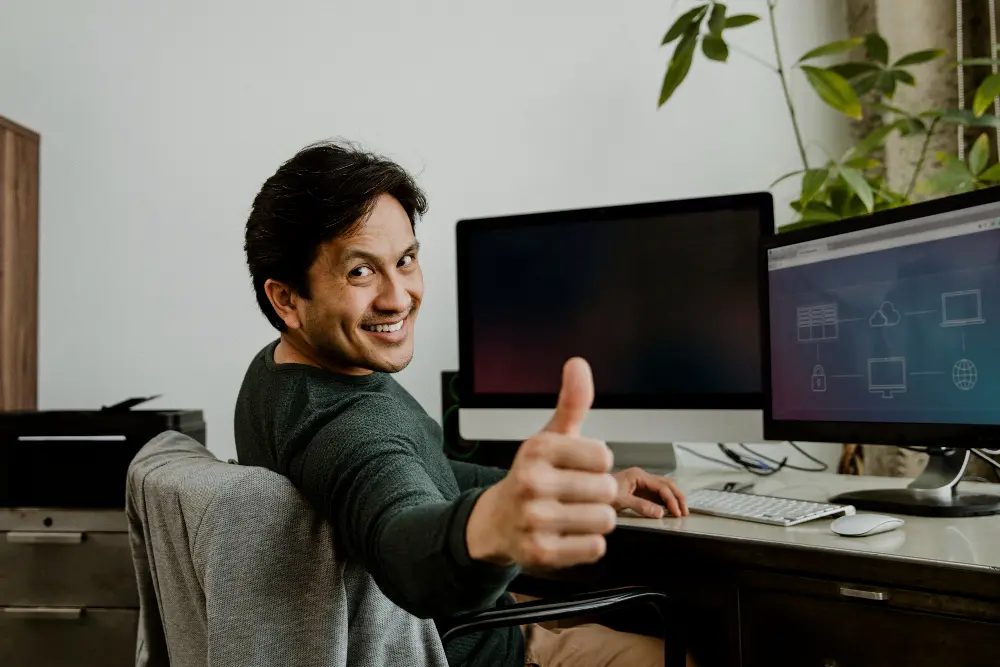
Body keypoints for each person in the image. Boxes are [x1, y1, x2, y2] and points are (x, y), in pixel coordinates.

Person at [235, 140, 689, 667]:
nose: (398, 297)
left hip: (474, 627)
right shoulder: (345, 423)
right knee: (701, 645)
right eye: (360, 272)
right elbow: (401, 538)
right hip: (488, 651)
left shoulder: (280, 374)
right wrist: (492, 526)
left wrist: (586, 490)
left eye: (404, 261)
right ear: (286, 299)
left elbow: (423, 474)